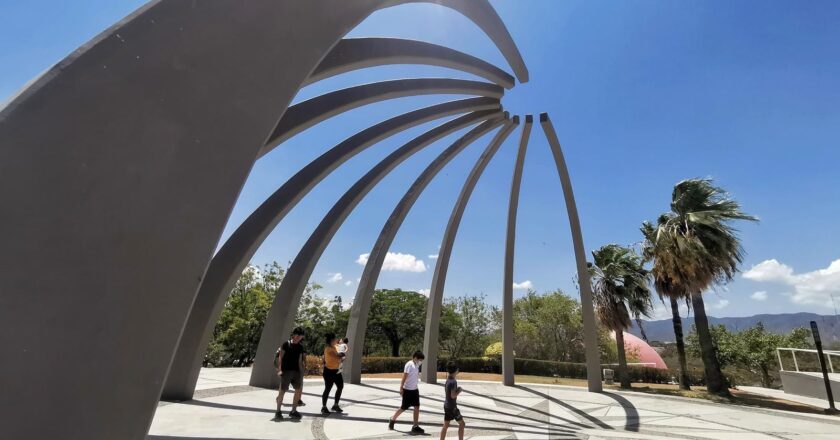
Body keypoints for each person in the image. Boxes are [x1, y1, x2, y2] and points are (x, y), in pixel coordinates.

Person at [388, 351, 425, 434]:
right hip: (407, 390)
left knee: (417, 407)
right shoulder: (409, 365)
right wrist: (401, 388)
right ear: (415, 358)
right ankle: (393, 419)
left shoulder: (416, 365)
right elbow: (404, 377)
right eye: (420, 360)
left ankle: (415, 426)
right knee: (403, 407)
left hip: (415, 390)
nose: (421, 362)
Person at [274, 327, 305, 420]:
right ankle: (278, 411)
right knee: (282, 391)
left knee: (298, 390)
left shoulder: (300, 347)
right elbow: (280, 357)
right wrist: (279, 369)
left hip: (296, 371)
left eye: (301, 336)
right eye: (298, 335)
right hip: (286, 371)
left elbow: (300, 361)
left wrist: (301, 372)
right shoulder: (286, 344)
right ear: (293, 334)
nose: (299, 337)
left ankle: (293, 411)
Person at [440, 361, 465, 440]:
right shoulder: (453, 381)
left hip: (446, 406)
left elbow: (450, 393)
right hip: (452, 407)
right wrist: (459, 390)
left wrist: (456, 390)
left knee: (446, 425)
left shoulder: (448, 380)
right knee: (462, 424)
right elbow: (453, 395)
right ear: (456, 370)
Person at [321, 333, 345, 415]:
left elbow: (341, 356)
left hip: (336, 371)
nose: (337, 340)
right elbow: (338, 357)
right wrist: (341, 355)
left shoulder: (335, 347)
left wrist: (341, 352)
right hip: (328, 371)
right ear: (332, 340)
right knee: (328, 388)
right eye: (335, 339)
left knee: (340, 386)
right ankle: (324, 407)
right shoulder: (328, 349)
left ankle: (335, 405)